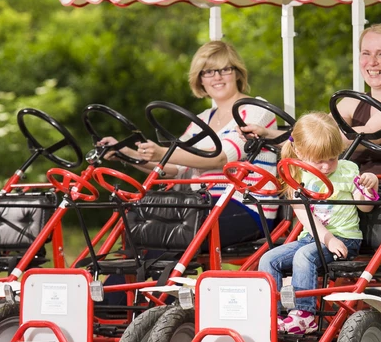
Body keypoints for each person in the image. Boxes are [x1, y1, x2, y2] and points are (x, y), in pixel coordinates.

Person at [243, 23, 381, 243]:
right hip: (357, 198)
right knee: (308, 199)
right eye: (366, 53)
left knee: (329, 205)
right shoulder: (351, 103)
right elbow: (313, 136)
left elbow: (368, 136)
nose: (372, 62)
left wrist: (314, 141)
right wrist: (267, 135)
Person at [98, 40, 278, 245]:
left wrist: (161, 153)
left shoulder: (256, 109)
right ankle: (121, 277)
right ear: (200, 79)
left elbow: (220, 158)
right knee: (139, 224)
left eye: (224, 69)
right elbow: (173, 167)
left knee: (165, 231)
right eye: (208, 72)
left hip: (246, 207)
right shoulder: (202, 120)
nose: (217, 77)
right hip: (200, 205)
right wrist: (126, 152)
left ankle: (161, 277)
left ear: (237, 73)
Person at [258, 112, 379, 335]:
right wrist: (326, 238)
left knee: (303, 256)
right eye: (318, 161)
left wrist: (370, 187)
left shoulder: (347, 170)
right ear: (299, 152)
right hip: (315, 238)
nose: (325, 167)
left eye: (332, 159)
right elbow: (305, 216)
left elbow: (365, 207)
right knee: (269, 258)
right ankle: (272, 314)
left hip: (344, 239)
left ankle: (305, 316)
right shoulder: (296, 175)